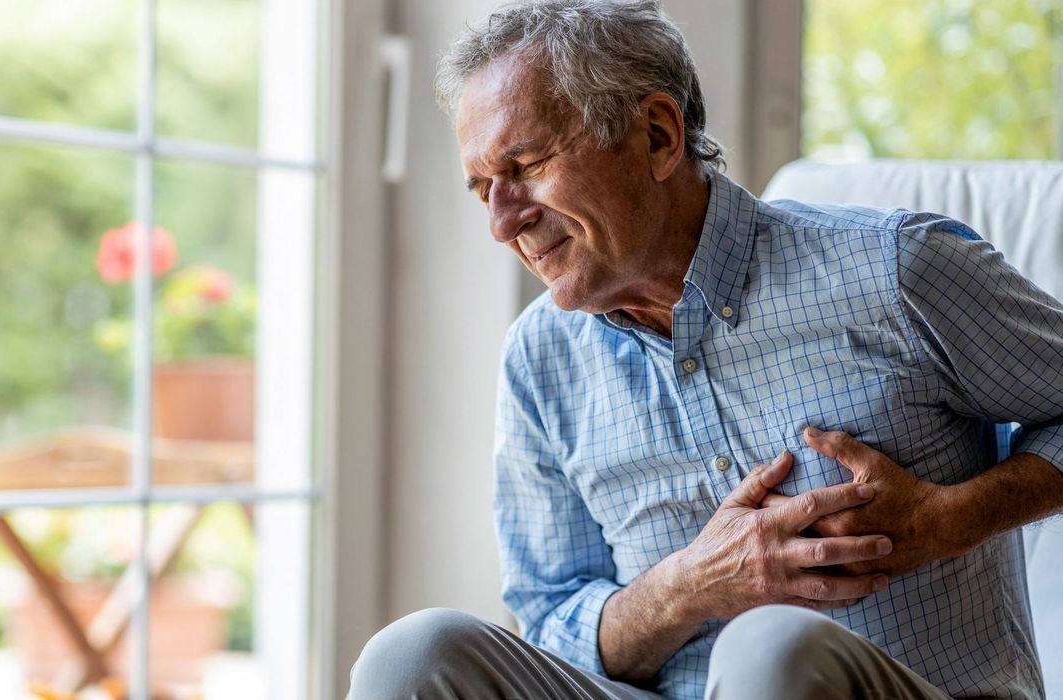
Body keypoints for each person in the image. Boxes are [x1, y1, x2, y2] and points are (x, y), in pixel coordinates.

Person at [349, 1, 1063, 698]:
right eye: (483, 190)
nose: (503, 222)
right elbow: (552, 625)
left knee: (771, 646)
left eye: (527, 163)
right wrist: (685, 587)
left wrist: (948, 520)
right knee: (415, 656)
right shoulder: (541, 359)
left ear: (657, 136)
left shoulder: (893, 272)